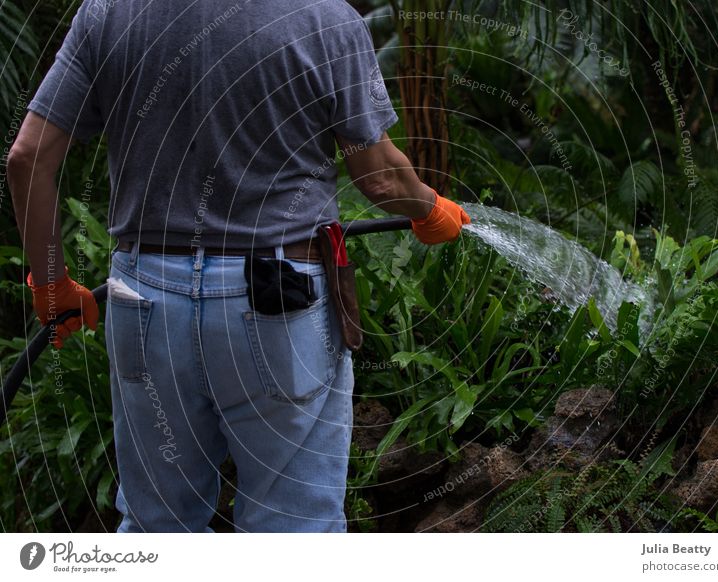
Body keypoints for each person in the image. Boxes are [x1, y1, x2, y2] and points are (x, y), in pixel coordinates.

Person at [8, 0, 469, 532]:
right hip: (277, 304)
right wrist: (429, 208)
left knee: (159, 528)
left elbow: (27, 159)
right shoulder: (324, 17)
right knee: (292, 529)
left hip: (144, 303)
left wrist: (50, 285)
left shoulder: (107, 11)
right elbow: (381, 179)